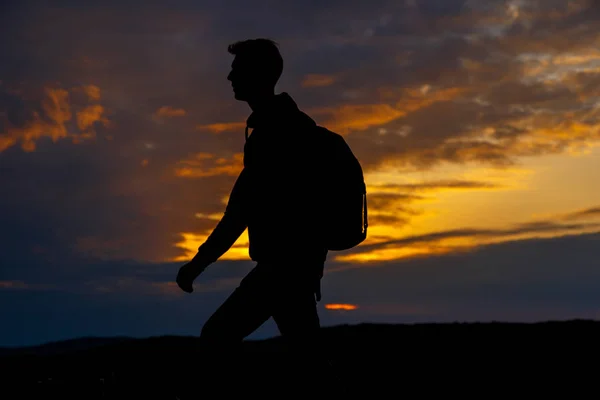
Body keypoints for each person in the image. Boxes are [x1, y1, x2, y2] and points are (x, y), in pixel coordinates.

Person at [175, 38, 338, 394]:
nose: (229, 76)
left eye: (237, 69)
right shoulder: (287, 126)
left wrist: (197, 265)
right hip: (298, 268)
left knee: (217, 337)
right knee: (309, 361)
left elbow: (239, 213)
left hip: (283, 269)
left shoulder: (274, 134)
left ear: (258, 74)